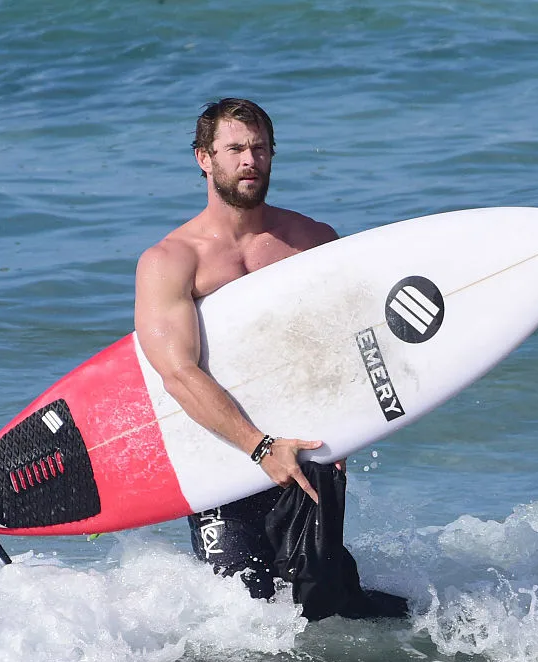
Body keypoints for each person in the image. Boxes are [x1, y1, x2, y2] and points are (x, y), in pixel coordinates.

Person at [134, 99, 405, 617]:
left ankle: (442, 645)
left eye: (259, 148)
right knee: (250, 617)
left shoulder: (312, 242)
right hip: (222, 458)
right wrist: (260, 448)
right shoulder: (171, 260)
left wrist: (351, 427)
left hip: (308, 450)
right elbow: (178, 373)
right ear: (204, 159)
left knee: (326, 605)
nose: (249, 160)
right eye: (234, 148)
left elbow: (354, 343)